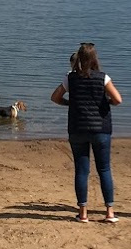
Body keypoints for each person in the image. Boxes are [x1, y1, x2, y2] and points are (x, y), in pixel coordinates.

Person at [50, 41, 122, 222]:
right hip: (101, 129)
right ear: (94, 59)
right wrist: (107, 102)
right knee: (104, 169)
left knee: (82, 171)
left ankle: (83, 213)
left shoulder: (70, 78)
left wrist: (69, 103)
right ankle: (109, 213)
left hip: (77, 128)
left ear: (79, 58)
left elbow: (55, 97)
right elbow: (118, 99)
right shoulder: (102, 78)